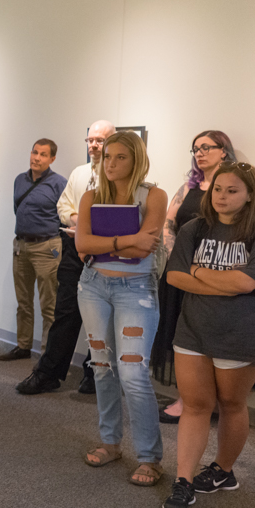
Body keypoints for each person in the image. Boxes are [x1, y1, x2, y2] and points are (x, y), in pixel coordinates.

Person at [161, 162, 255, 508]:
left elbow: (247, 284)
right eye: (218, 190)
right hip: (193, 329)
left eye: (233, 190)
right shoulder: (195, 227)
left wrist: (196, 271)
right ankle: (183, 481)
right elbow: (175, 277)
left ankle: (223, 471)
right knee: (194, 405)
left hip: (242, 333)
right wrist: (215, 279)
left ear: (250, 195)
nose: (222, 197)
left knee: (231, 404)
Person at [75, 131, 167, 487]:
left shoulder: (153, 196)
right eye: (107, 157)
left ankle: (150, 457)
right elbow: (83, 243)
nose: (110, 163)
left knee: (133, 373)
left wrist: (106, 246)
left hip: (135, 291)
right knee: (101, 366)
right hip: (93, 287)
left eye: (120, 157)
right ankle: (110, 442)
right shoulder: (90, 197)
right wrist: (126, 240)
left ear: (136, 160)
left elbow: (143, 251)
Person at [16, 120, 116, 394]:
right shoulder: (79, 173)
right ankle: (48, 373)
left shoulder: (119, 175)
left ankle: (93, 373)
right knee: (65, 314)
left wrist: (84, 224)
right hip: (73, 250)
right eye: (90, 140)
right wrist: (78, 220)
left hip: (107, 254)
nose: (94, 145)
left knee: (101, 319)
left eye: (100, 140)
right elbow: (63, 205)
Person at [153, 131, 236, 423]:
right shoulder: (189, 187)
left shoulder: (232, 186)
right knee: (183, 333)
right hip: (183, 271)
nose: (199, 153)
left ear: (223, 151)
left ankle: (210, 401)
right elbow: (168, 222)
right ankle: (188, 398)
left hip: (216, 271)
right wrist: (178, 256)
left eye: (206, 147)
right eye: (196, 148)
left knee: (210, 334)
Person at [1, 139, 67, 361]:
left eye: (43, 154)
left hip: (47, 247)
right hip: (21, 245)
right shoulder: (20, 180)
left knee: (49, 305)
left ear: (52, 159)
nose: (37, 158)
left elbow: (65, 216)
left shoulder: (59, 183)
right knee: (23, 301)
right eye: (34, 152)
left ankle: (47, 355)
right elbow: (16, 210)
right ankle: (23, 346)